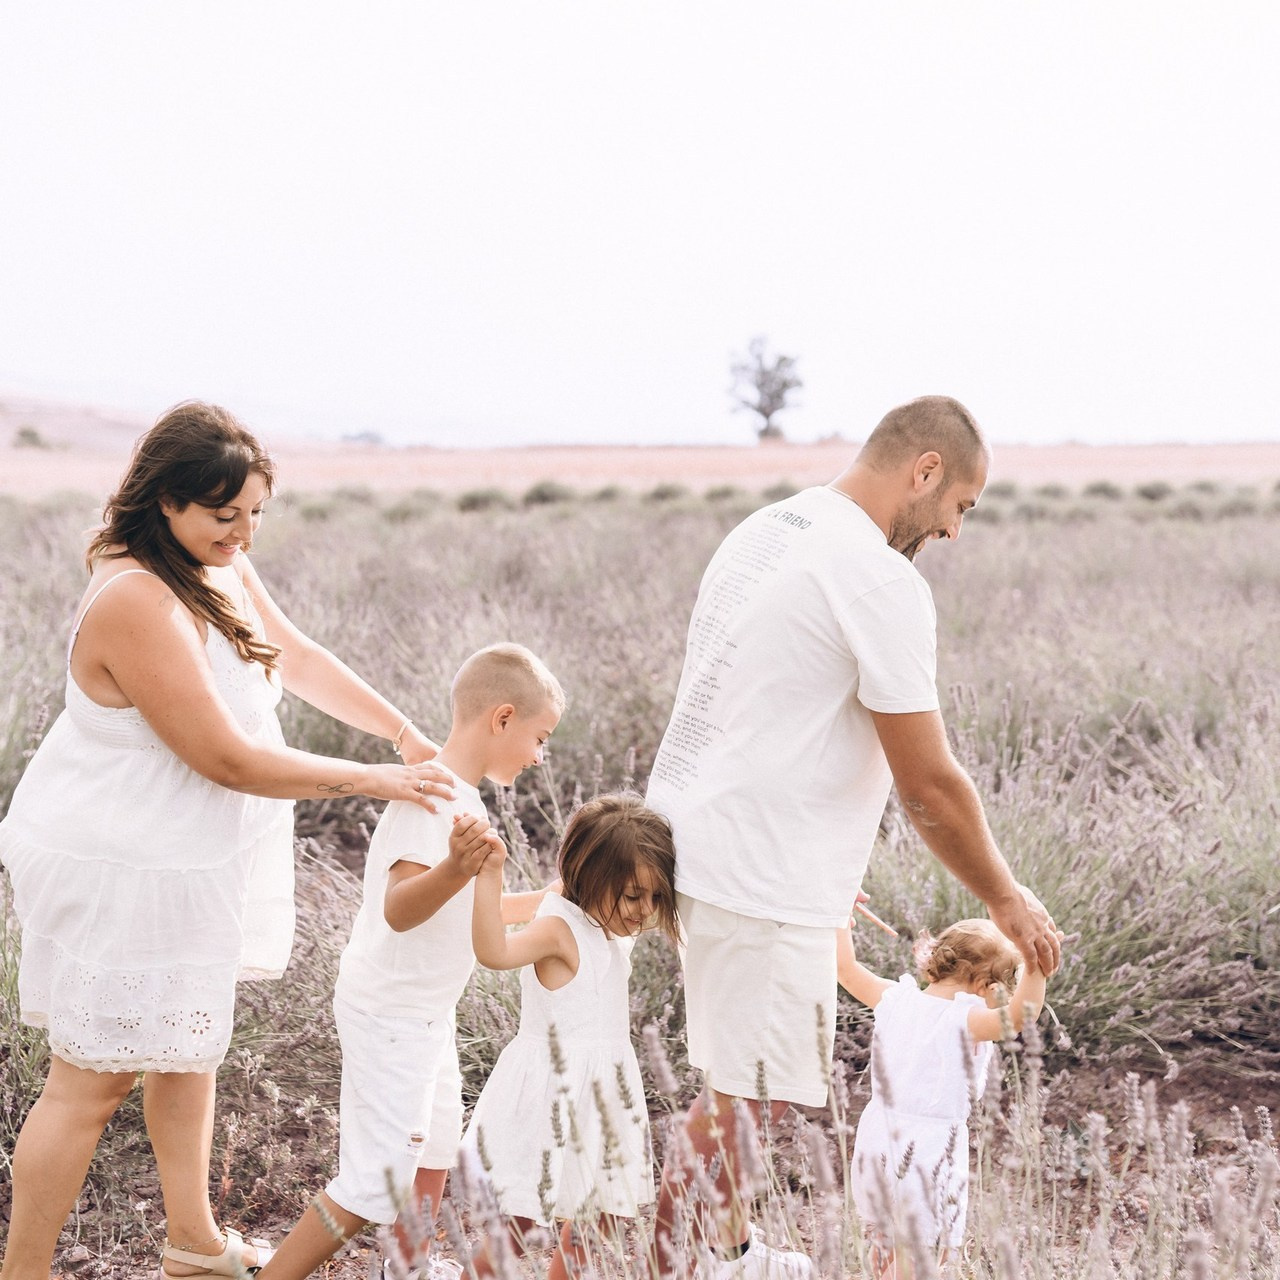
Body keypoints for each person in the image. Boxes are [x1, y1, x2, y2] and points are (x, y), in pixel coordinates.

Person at [0, 402, 455, 1280]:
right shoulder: (136, 598)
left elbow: (298, 657)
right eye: (224, 513)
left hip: (186, 858)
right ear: (166, 500)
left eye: (256, 514)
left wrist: (405, 737)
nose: (243, 533)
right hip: (120, 865)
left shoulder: (213, 564)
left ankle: (194, 1244)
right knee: (89, 1081)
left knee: (187, 1048)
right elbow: (226, 759)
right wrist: (375, 780)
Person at [643, 395, 1065, 1279]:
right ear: (924, 470)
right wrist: (1004, 900)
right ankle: (673, 1267)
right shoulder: (878, 577)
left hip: (700, 840)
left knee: (738, 1085)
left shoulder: (768, 527)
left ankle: (729, 1254)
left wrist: (824, 871)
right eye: (960, 506)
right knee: (745, 1103)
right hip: (757, 871)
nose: (953, 532)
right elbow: (929, 786)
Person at [257, 643, 565, 1280]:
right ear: (502, 718)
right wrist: (456, 867)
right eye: (540, 739)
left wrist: (552, 899)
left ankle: (409, 1268)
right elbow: (400, 908)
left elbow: (474, 908)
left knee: (434, 1149)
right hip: (389, 1014)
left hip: (427, 1013)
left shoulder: (466, 800)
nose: (541, 756)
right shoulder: (428, 796)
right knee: (373, 1182)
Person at [457, 792, 680, 1280]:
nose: (644, 910)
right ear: (590, 879)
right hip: (554, 1096)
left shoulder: (607, 922)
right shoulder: (559, 928)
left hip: (602, 1097)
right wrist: (490, 875)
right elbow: (494, 952)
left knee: (601, 1217)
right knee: (520, 1222)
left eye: (655, 898)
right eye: (633, 896)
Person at [838, 919, 1047, 1277]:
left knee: (891, 1239)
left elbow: (846, 968)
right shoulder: (964, 1020)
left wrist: (840, 915)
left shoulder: (895, 998)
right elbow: (1018, 1018)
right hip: (929, 1149)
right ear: (985, 986)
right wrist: (1037, 964)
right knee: (925, 1252)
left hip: (876, 1138)